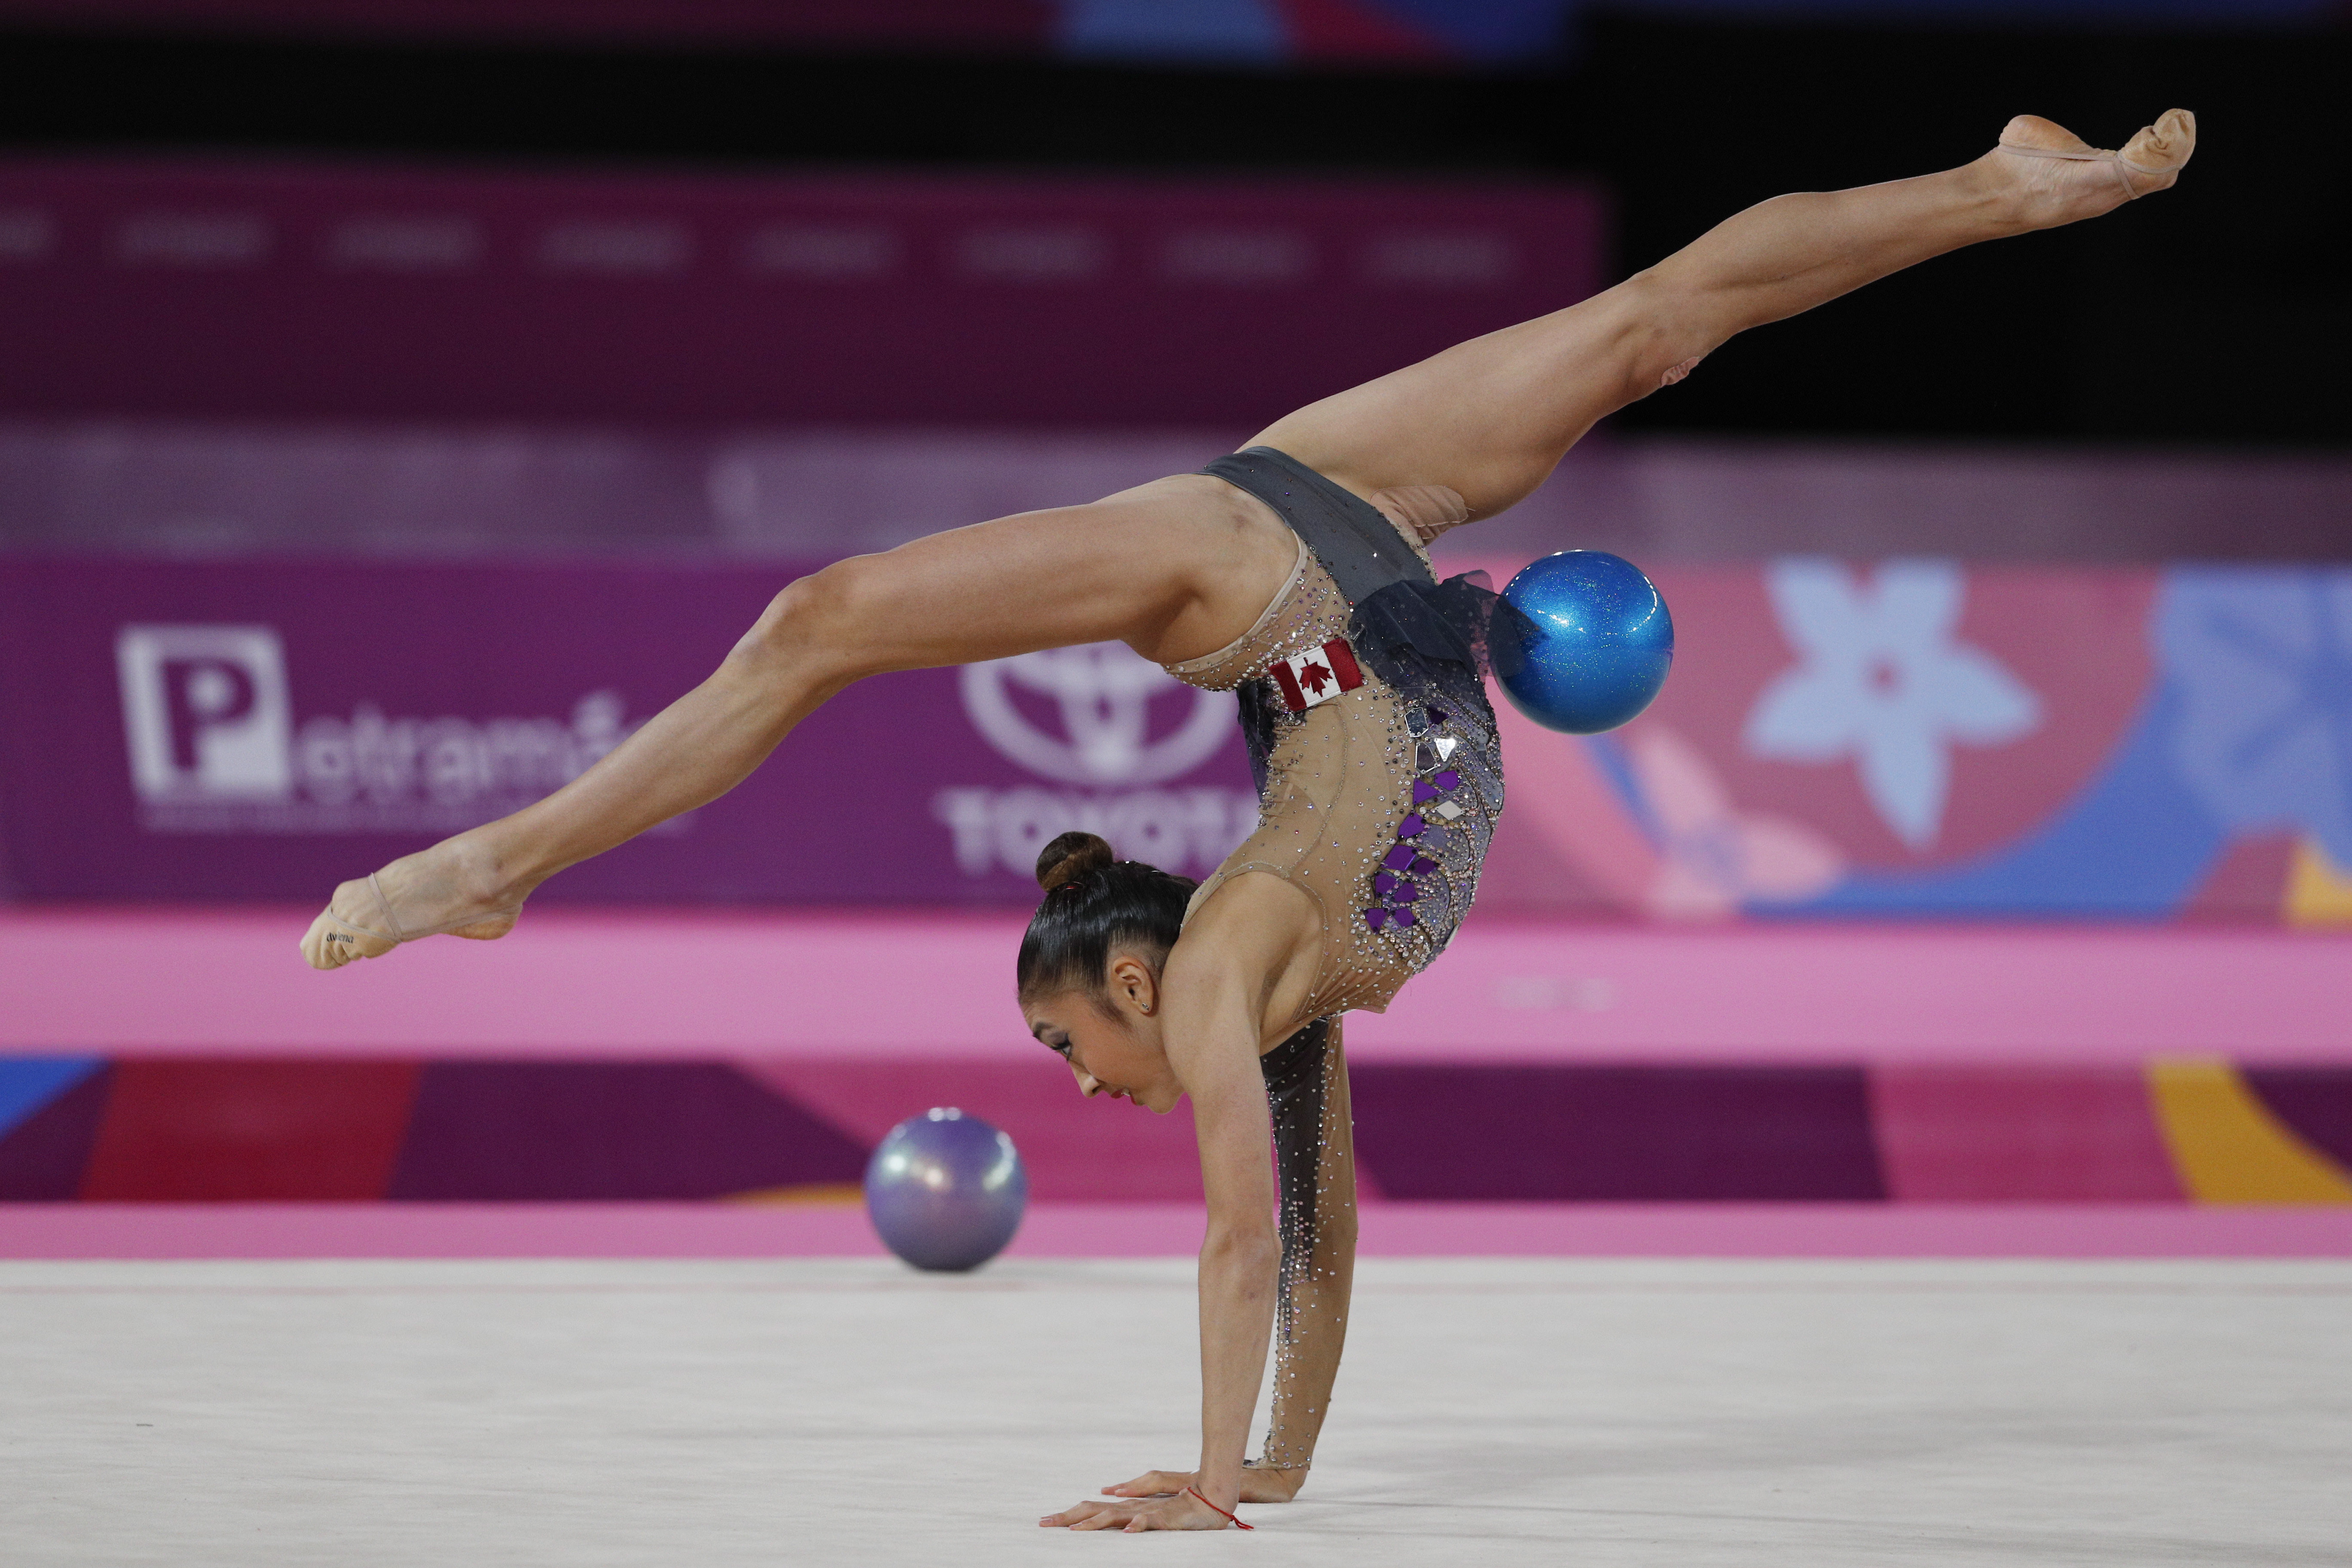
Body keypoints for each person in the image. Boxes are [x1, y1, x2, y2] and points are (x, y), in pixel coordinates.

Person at [300, 113, 2196, 1530]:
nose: (1084, 1078)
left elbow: (1237, 1242)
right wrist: (1272, 1466)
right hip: (1341, 549)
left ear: (1136, 970)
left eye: (1069, 1042)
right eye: (1060, 1053)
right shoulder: (1256, 975)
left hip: (1254, 579)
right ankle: (2006, 186)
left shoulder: (1227, 962)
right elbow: (1308, 1232)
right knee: (1647, 327)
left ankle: (494, 866)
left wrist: (1209, 1484)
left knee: (827, 619)